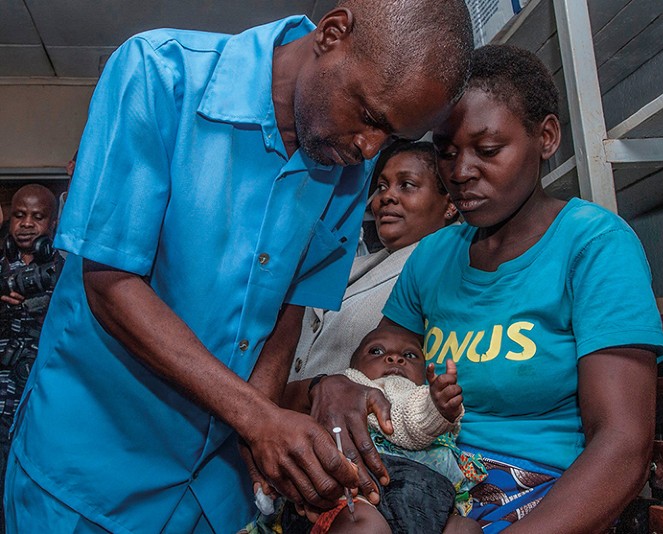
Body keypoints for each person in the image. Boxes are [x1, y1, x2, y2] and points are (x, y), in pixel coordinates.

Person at [3, 2, 473, 532]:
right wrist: (256, 417)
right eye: (368, 116)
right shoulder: (159, 73)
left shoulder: (347, 164)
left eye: (389, 138)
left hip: (213, 492)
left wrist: (263, 434)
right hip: (91, 472)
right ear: (333, 33)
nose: (369, 147)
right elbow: (109, 283)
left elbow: (290, 309)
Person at [309, 45, 663, 533]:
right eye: (448, 152)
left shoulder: (593, 245)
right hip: (430, 486)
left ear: (545, 137)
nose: (461, 172)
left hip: (544, 502)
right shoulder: (435, 255)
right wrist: (333, 386)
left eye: (488, 149)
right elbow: (377, 366)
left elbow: (623, 446)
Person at [248, 325, 483, 534]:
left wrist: (440, 405)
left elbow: (420, 420)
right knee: (365, 527)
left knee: (466, 529)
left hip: (427, 501)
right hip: (354, 499)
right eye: (376, 351)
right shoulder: (342, 390)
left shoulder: (421, 397)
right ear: (353, 366)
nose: (395, 358)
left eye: (410, 355)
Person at [289, 141, 457, 382]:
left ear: (450, 204)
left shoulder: (447, 267)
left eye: (406, 185)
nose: (387, 196)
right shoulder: (354, 263)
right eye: (381, 186)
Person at [0, 184, 63, 531]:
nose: (26, 224)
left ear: (52, 224)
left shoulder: (63, 268)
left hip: (42, 389)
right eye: (19, 216)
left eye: (37, 217)